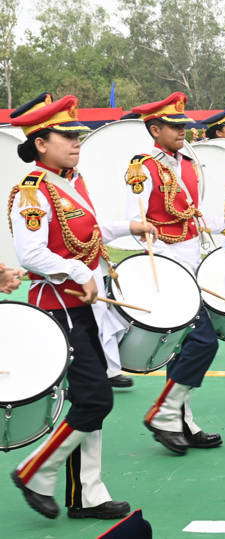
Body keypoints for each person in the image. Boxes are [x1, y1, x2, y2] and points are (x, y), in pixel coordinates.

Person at [7, 92, 156, 520]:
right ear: (40, 143)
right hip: (56, 308)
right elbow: (31, 252)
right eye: (66, 136)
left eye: (77, 135)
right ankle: (35, 470)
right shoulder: (31, 193)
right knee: (94, 399)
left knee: (88, 399)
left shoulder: (73, 182)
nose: (77, 142)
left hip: (80, 308)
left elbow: (86, 233)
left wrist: (127, 225)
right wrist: (78, 272)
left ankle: (85, 493)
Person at [125, 92, 225, 455]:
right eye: (174, 125)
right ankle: (165, 413)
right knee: (203, 341)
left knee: (185, 347)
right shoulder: (143, 167)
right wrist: (162, 268)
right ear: (155, 129)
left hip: (191, 261)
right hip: (167, 267)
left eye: (183, 124)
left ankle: (180, 419)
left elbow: (192, 214)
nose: (182, 130)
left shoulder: (187, 163)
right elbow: (136, 220)